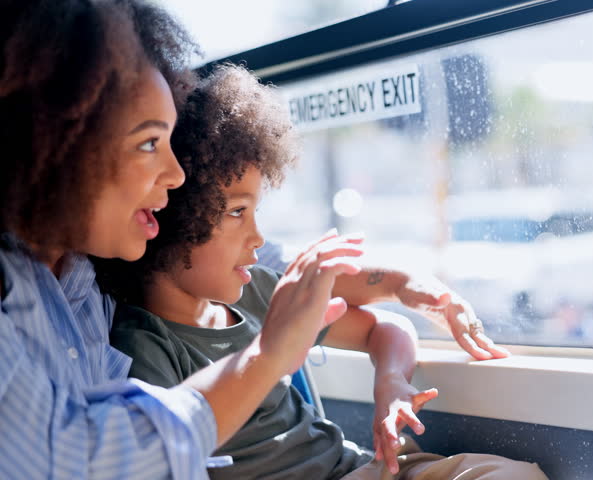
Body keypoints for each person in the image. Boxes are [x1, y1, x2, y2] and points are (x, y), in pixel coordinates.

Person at [101, 64, 547, 480]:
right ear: (175, 216)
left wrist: (390, 382)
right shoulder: (144, 346)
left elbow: (383, 329)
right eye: (238, 212)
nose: (257, 237)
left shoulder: (258, 292)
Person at [0, 2, 360, 478]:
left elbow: (260, 258)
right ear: (56, 144)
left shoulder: (90, 273)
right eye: (149, 143)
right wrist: (266, 356)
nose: (175, 175)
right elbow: (82, 458)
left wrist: (399, 283)